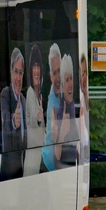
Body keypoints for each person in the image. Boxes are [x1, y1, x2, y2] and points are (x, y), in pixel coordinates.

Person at [0, 47, 26, 180]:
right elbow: (4, 120)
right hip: (9, 170)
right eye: (15, 72)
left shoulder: (24, 100)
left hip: (22, 168)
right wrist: (13, 122)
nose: (18, 78)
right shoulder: (5, 94)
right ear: (10, 72)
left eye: (20, 73)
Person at [24, 44, 46, 176]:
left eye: (38, 67)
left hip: (38, 155)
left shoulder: (40, 95)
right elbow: (33, 121)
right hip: (32, 157)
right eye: (34, 67)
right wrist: (38, 119)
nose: (36, 71)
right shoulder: (30, 93)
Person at [53, 54, 78, 169]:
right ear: (62, 86)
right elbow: (56, 155)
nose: (70, 84)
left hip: (72, 163)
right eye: (67, 80)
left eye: (71, 78)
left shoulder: (71, 103)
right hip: (63, 167)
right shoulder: (61, 107)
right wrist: (62, 132)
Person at [41, 43, 62, 172]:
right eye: (55, 73)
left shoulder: (61, 93)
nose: (58, 76)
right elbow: (56, 136)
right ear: (50, 76)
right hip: (52, 161)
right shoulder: (53, 103)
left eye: (60, 70)